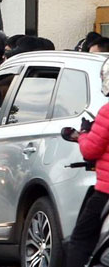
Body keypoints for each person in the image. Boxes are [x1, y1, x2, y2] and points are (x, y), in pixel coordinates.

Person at [65, 80, 109, 267]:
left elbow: (91, 150)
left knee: (81, 239)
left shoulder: (107, 111)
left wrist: (82, 135)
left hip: (106, 192)